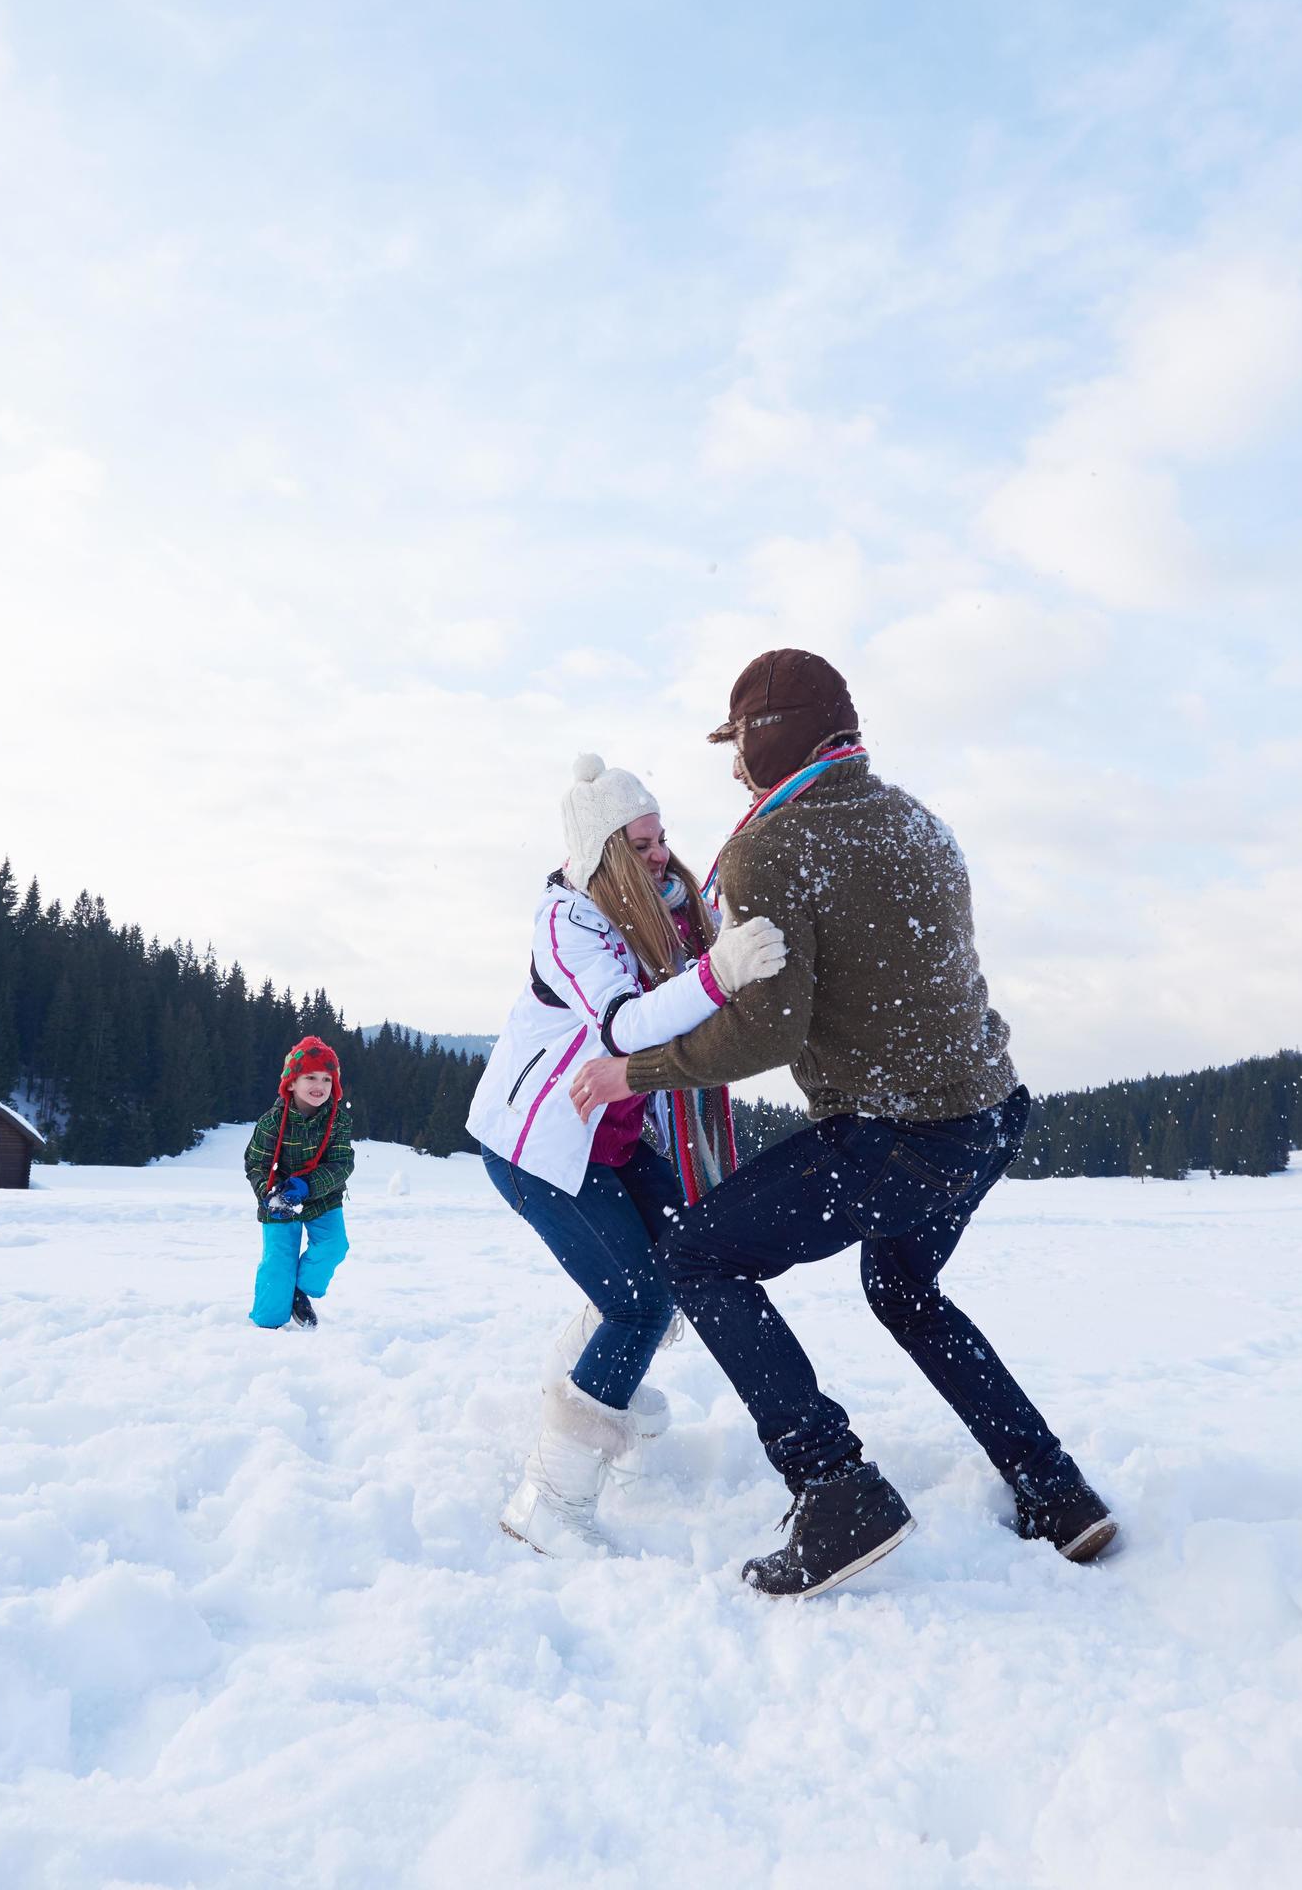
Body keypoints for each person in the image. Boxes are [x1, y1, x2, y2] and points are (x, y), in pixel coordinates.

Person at [569, 649, 1117, 1596]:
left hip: (898, 1136)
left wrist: (634, 1070)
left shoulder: (770, 847)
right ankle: (1056, 1493)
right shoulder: (919, 821)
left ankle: (830, 1486)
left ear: (763, 741)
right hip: (986, 1117)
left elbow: (766, 1030)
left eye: (736, 747)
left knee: (697, 1253)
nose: (732, 769)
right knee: (903, 1291)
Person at [466, 753, 791, 1554]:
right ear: (604, 852)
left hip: (609, 1140)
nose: (658, 856)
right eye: (640, 845)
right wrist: (716, 974)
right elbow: (622, 1024)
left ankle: (578, 1385)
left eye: (661, 839)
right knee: (639, 1303)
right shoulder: (567, 921)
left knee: (690, 1258)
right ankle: (551, 1498)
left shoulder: (655, 911)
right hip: (540, 1150)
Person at [245, 1035, 354, 1330]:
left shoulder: (339, 1121)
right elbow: (257, 1164)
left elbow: (342, 1163)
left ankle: (300, 1290)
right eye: (310, 1077)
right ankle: (266, 1326)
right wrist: (269, 1193)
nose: (320, 1086)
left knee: (333, 1245)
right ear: (291, 1082)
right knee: (278, 1263)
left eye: (326, 1079)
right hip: (279, 1198)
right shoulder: (271, 1122)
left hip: (322, 1195)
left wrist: (308, 1185)